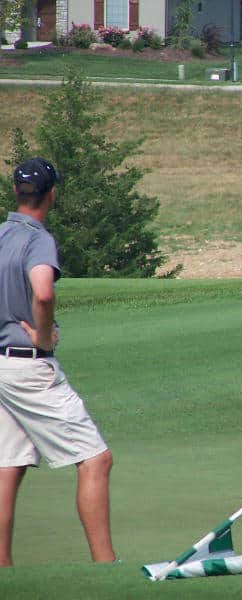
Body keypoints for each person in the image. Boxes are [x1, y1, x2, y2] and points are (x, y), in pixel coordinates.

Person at [0, 158, 116, 566]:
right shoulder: (39, 240)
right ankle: (106, 567)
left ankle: (3, 569)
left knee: (8, 465)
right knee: (95, 458)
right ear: (52, 194)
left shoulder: (1, 234)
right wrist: (44, 334)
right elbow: (44, 292)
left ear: (17, 192)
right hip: (29, 368)